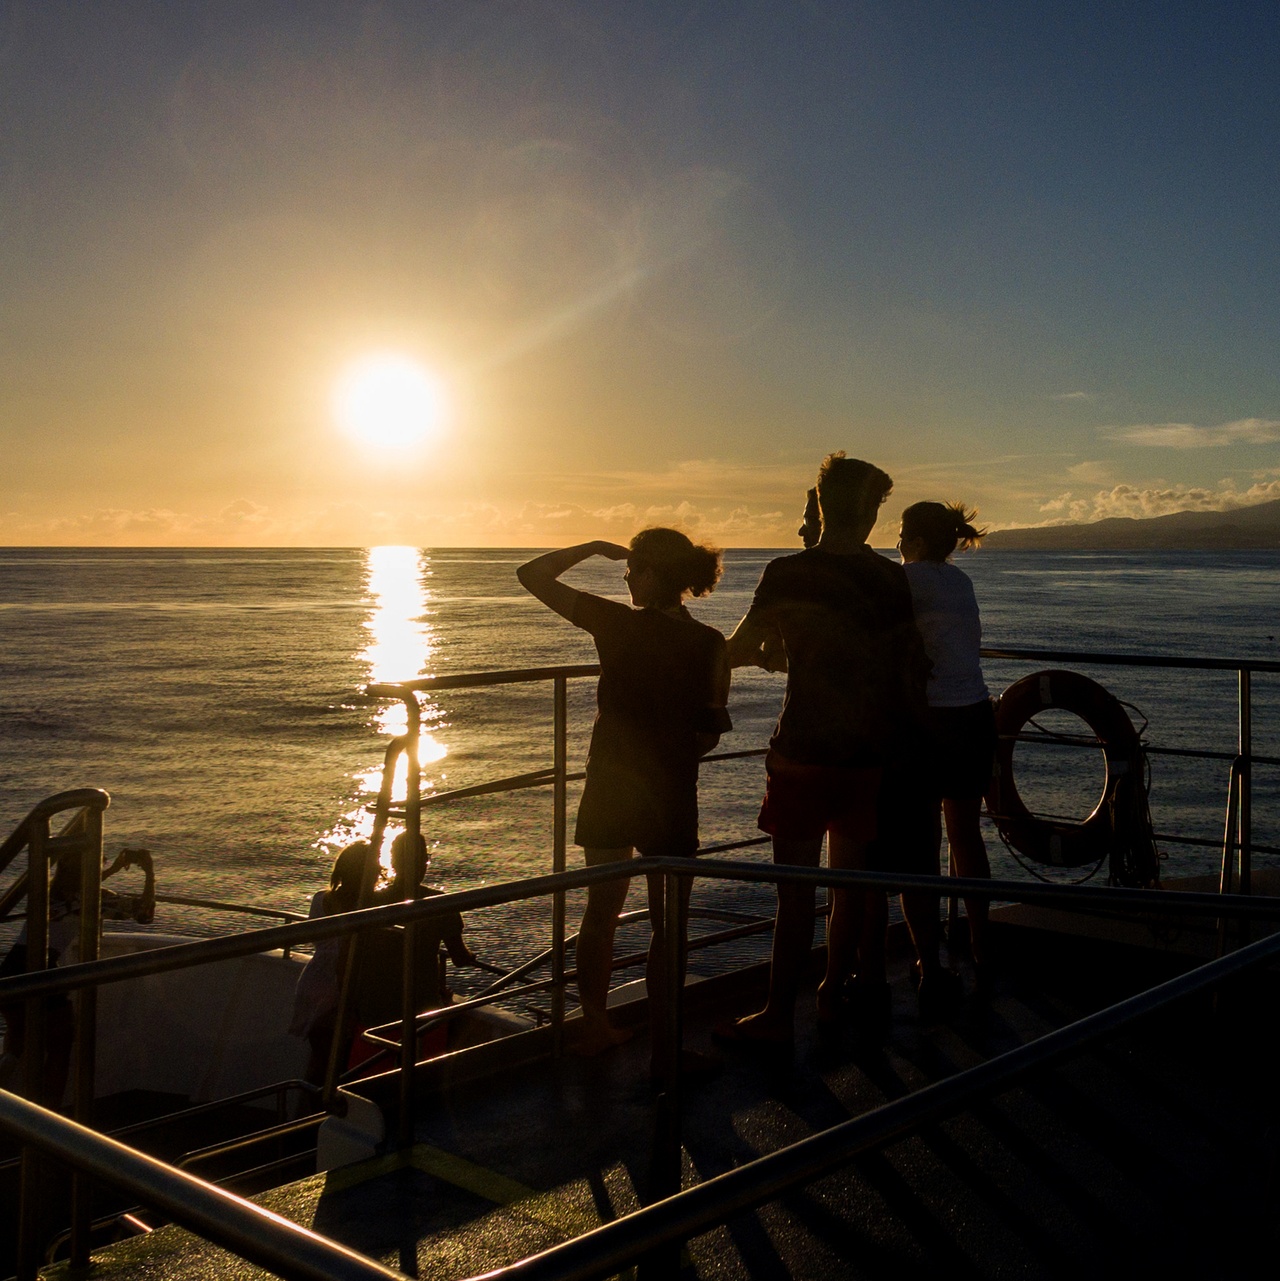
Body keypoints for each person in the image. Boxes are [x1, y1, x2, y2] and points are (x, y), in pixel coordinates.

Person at [716, 453, 934, 1047]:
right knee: (853, 888)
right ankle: (833, 997)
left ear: (821, 502)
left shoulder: (785, 572)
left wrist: (770, 654)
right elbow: (904, 664)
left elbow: (739, 649)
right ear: (866, 508)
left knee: (795, 896)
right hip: (866, 754)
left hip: (803, 749)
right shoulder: (891, 580)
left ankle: (778, 1014)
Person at [517, 529, 731, 1065]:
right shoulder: (710, 643)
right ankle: (666, 1045)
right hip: (670, 788)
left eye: (632, 568)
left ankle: (596, 1026)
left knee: (601, 911)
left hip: (610, 781)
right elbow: (710, 731)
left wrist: (589, 546)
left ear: (653, 574)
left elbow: (532, 574)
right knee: (669, 923)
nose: (626, 576)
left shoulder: (611, 623)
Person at [899, 501, 995, 984]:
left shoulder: (909, 579)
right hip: (974, 714)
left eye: (900, 536)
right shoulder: (961, 581)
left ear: (914, 542)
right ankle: (981, 946)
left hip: (928, 720)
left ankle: (929, 961)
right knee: (966, 835)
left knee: (921, 846)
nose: (895, 545)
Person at [0, 847, 155, 1104]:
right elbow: (144, 914)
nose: (103, 863)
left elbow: (80, 896)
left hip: (11, 968)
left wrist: (114, 869)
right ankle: (49, 1117)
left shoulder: (48, 891)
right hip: (41, 969)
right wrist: (149, 872)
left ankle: (8, 1106)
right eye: (100, 861)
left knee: (17, 1040)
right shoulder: (93, 898)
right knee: (60, 1045)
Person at [289, 840, 377, 1084]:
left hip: (314, 980)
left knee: (320, 1059)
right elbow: (346, 956)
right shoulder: (365, 906)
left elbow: (315, 940)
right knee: (336, 1064)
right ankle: (322, 1112)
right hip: (338, 987)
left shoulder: (320, 899)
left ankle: (310, 1112)